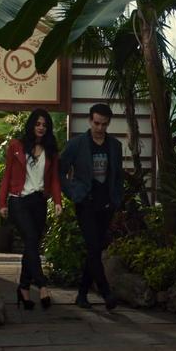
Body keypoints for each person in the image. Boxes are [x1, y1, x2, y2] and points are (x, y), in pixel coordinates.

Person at [59, 103, 124, 310]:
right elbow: (60, 171)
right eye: (96, 123)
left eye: (104, 124)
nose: (99, 128)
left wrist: (117, 199)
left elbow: (118, 175)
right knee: (93, 247)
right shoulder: (77, 144)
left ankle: (81, 294)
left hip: (106, 204)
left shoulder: (114, 146)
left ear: (108, 124)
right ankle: (106, 292)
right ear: (90, 121)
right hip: (85, 203)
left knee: (94, 250)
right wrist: (72, 192)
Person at [0, 108, 63, 310]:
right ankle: (42, 286)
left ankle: (24, 288)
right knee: (31, 239)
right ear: (31, 125)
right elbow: (6, 175)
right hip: (18, 201)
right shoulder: (16, 146)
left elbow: (54, 180)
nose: (41, 128)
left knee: (31, 244)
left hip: (39, 202)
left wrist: (58, 201)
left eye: (44, 125)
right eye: (38, 124)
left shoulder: (51, 150)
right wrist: (2, 203)